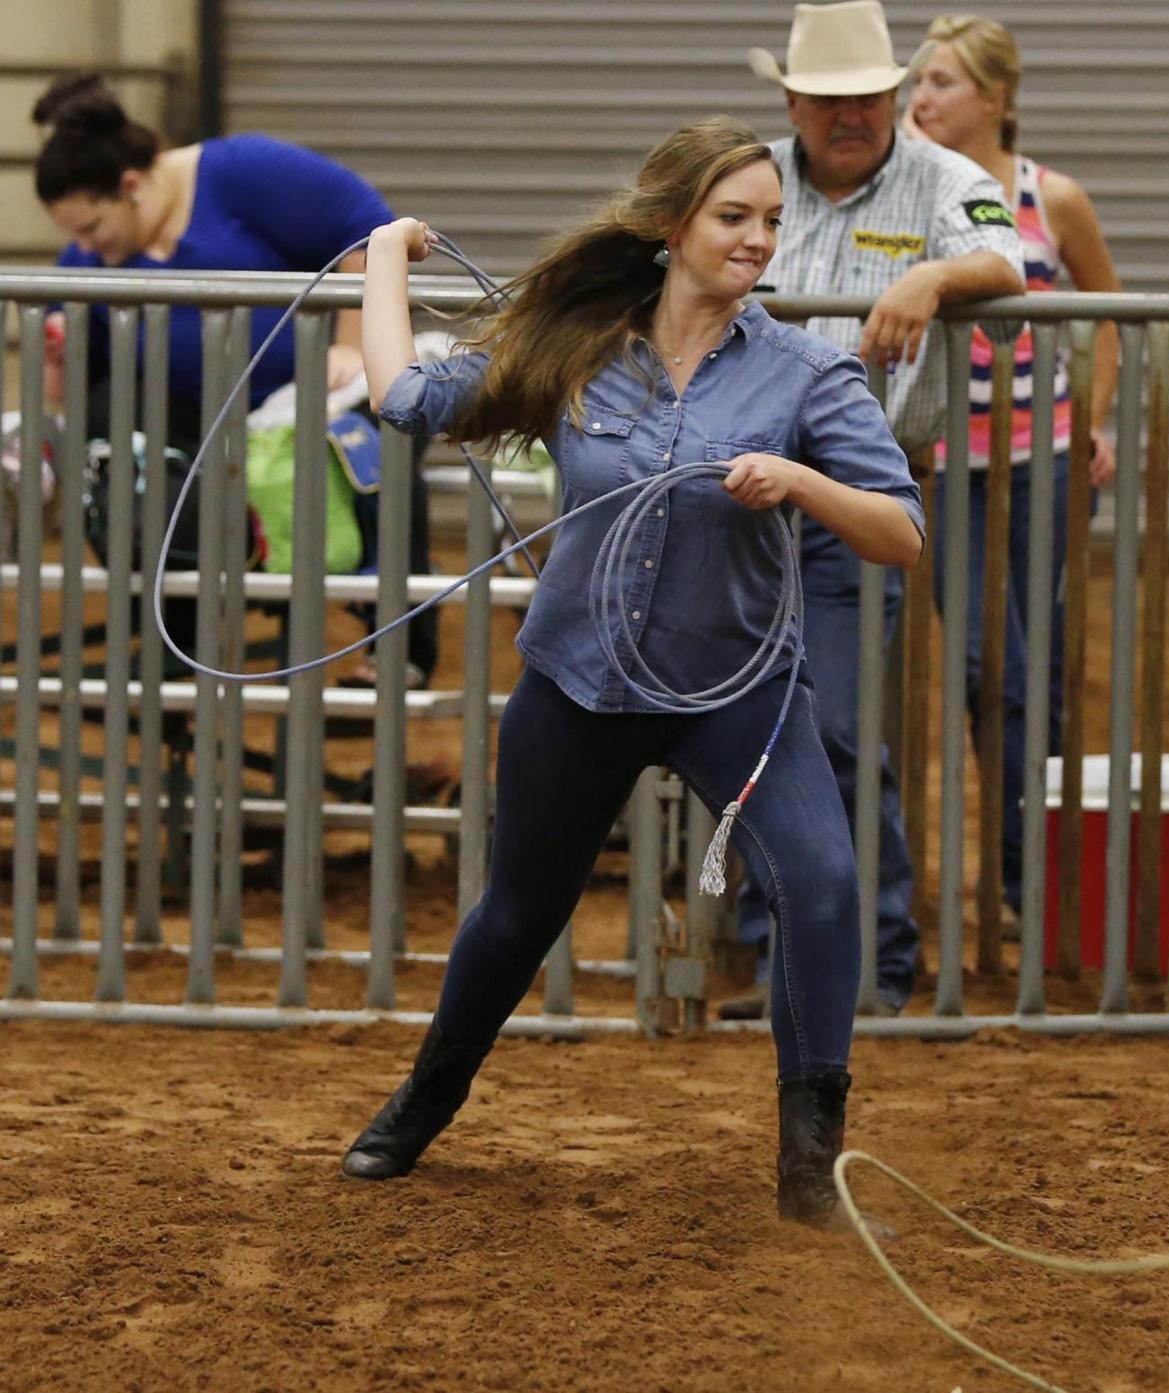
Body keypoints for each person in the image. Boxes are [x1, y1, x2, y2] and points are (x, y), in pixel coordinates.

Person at [341, 117, 924, 1226]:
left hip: (739, 692)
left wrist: (801, 483)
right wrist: (379, 257)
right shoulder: (577, 350)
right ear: (670, 227)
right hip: (581, 680)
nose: (758, 240)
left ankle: (813, 1174)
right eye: (733, 218)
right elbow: (407, 400)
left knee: (822, 882)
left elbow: (900, 531)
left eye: (770, 222)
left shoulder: (807, 372)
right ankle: (424, 1100)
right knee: (520, 912)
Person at [724, 0, 1025, 1019]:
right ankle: (773, 954)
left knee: (843, 726)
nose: (849, 116)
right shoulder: (747, 174)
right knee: (740, 722)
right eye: (827, 99)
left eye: (867, 97)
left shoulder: (944, 180)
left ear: (895, 97)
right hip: (737, 500)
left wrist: (934, 276)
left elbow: (1007, 260)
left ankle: (872, 961)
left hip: (853, 492)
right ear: (794, 102)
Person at [31, 73, 437, 687]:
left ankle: (401, 646)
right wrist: (59, 358)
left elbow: (369, 229)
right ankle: (177, 633)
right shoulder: (87, 260)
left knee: (376, 438)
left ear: (131, 187)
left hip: (301, 399)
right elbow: (74, 394)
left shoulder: (242, 171)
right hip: (195, 425)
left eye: (92, 228)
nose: (87, 248)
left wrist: (351, 346)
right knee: (109, 428)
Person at [904, 13, 1120, 917]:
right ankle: (1019, 868)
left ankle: (1032, 879)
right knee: (995, 661)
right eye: (917, 82)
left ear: (995, 96)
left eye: (941, 82)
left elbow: (1110, 312)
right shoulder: (908, 188)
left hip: (1046, 457)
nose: (920, 99)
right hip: (948, 465)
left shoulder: (1051, 195)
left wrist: (1096, 421)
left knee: (1044, 665)